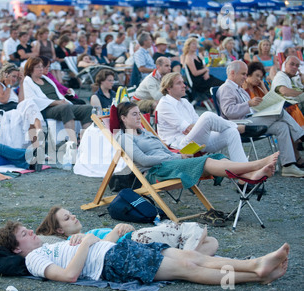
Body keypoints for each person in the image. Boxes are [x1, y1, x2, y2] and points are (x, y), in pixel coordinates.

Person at [0, 220, 289, 286]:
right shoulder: (33, 259)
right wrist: (84, 242)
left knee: (192, 258)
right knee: (188, 268)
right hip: (114, 263)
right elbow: (70, 275)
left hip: (120, 251)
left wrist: (102, 236)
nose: (31, 232)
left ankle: (255, 265)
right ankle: (255, 274)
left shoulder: (45, 246)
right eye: (24, 234)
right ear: (17, 248)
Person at [116, 101, 278, 192]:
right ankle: (255, 165)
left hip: (171, 163)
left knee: (216, 157)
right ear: (123, 118)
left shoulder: (145, 133)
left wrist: (177, 155)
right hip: (155, 171)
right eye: (134, 114)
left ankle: (248, 177)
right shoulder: (123, 137)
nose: (139, 117)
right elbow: (143, 160)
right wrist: (178, 156)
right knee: (205, 162)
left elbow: (165, 150)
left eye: (139, 113)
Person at [217, 60, 304, 177]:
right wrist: (249, 104)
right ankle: (300, 135)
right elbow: (229, 112)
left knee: (282, 126)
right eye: (243, 74)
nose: (245, 77)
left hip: (249, 120)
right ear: (233, 73)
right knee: (279, 112)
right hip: (239, 124)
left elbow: (248, 109)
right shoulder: (226, 88)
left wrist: (259, 107)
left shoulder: (239, 89)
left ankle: (288, 166)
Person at [156, 72, 264, 163]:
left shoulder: (184, 101)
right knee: (207, 116)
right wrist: (197, 127)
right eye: (179, 83)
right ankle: (241, 128)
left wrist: (197, 127)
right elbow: (189, 128)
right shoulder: (164, 105)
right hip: (182, 147)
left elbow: (196, 124)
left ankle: (244, 176)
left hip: (196, 140)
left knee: (231, 132)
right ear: (168, 88)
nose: (184, 85)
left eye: (183, 82)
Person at [36, 206, 218, 256]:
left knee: (212, 243)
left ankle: (186, 258)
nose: (74, 217)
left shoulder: (90, 230)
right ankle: (188, 257)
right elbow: (103, 248)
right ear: (60, 230)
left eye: (71, 214)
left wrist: (125, 228)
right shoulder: (77, 239)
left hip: (137, 238)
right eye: (67, 218)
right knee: (193, 228)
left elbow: (124, 232)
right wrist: (116, 230)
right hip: (134, 243)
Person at [22, 57, 93, 145]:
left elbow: (58, 92)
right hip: (46, 109)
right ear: (30, 68)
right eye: (38, 67)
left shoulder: (46, 79)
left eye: (41, 66)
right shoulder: (28, 82)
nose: (41, 69)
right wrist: (56, 102)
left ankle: (85, 142)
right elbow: (33, 100)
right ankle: (72, 143)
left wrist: (65, 98)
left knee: (87, 109)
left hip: (61, 104)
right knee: (65, 108)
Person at [243, 61, 304, 128]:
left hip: (266, 113)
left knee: (292, 108)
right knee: (284, 113)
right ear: (249, 73)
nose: (258, 79)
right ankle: (300, 133)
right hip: (255, 117)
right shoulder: (243, 88)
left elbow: (269, 100)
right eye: (257, 75)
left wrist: (263, 87)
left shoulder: (257, 88)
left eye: (260, 78)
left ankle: (300, 133)